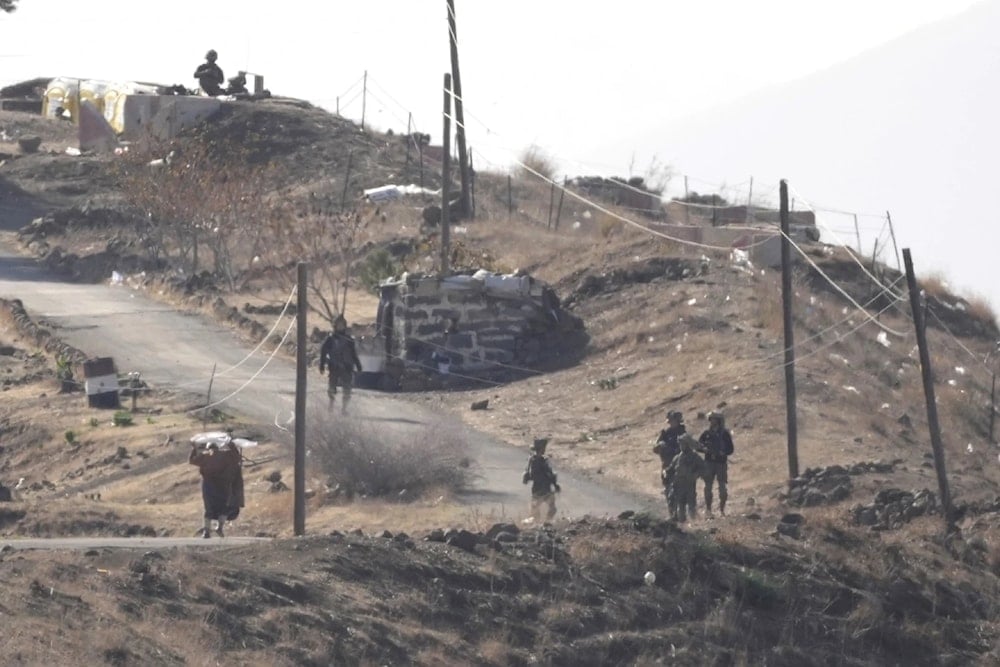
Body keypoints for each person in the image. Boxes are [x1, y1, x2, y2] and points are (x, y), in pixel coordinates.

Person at [189, 436, 244, 538]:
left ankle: (206, 531)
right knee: (223, 508)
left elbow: (192, 460)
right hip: (224, 486)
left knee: (209, 508)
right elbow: (237, 459)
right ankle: (219, 529)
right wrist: (232, 446)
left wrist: (194, 449)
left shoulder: (205, 457)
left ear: (209, 448)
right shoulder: (226, 457)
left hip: (209, 485)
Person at [319, 314, 363, 412]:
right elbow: (323, 351)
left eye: (342, 325)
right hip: (334, 367)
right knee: (331, 388)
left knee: (347, 389)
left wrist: (358, 365)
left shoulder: (349, 340)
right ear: (335, 326)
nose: (340, 326)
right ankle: (331, 405)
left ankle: (344, 408)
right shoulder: (330, 339)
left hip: (347, 367)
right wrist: (322, 365)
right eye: (338, 325)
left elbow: (353, 353)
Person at [698, 410, 735, 516]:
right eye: (711, 419)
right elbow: (699, 446)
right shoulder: (706, 434)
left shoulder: (724, 434)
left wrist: (722, 452)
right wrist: (704, 449)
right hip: (709, 462)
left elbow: (730, 449)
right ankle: (708, 509)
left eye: (713, 419)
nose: (711, 421)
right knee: (708, 486)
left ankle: (722, 510)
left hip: (720, 463)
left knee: (722, 487)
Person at [653, 409, 686, 520]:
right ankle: (672, 514)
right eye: (670, 421)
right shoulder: (665, 434)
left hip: (680, 466)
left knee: (678, 491)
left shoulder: (683, 434)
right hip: (667, 466)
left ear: (678, 421)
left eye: (673, 421)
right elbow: (655, 448)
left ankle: (680, 514)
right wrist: (660, 446)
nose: (671, 423)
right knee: (668, 491)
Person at [667, 433, 705, 523]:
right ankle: (683, 527)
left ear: (688, 445)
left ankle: (695, 524)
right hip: (679, 486)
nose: (681, 446)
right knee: (680, 507)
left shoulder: (695, 457)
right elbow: (671, 468)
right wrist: (666, 472)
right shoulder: (678, 457)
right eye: (680, 444)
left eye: (683, 444)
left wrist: (696, 474)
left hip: (689, 486)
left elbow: (703, 468)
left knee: (691, 507)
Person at [522, 437, 560, 522]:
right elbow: (532, 475)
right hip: (539, 488)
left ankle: (546, 523)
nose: (544, 449)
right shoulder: (534, 461)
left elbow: (549, 473)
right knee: (535, 511)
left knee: (552, 509)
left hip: (545, 488)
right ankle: (537, 524)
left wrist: (554, 483)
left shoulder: (543, 460)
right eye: (543, 447)